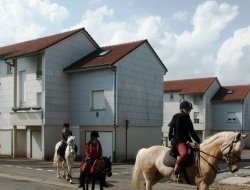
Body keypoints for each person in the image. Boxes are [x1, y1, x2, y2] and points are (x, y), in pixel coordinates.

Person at [168, 100, 201, 182]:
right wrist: (188, 143)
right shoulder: (179, 117)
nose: (189, 110)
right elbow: (178, 133)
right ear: (182, 109)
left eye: (190, 109)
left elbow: (192, 133)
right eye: (187, 109)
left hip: (186, 140)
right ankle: (174, 173)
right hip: (178, 140)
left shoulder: (188, 119)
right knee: (184, 153)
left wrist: (200, 142)